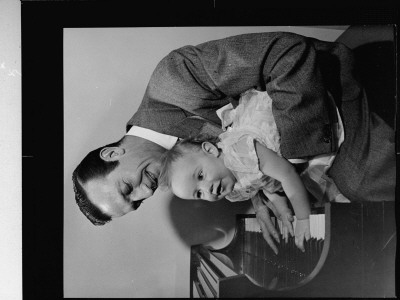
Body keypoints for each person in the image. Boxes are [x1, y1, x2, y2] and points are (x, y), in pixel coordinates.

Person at [72, 29, 396, 253]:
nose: (147, 191)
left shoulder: (175, 79)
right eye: (138, 202)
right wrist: (261, 195)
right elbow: (227, 154)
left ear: (113, 152)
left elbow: (287, 53)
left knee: (361, 186)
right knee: (341, 221)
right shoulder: (176, 167)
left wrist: (291, 164)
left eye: (128, 188)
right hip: (311, 149)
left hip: (332, 96)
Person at [158, 87, 350, 252]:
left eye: (200, 175)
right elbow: (264, 183)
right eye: (198, 193)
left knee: (318, 185)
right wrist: (282, 207)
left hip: (285, 128)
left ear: (210, 149)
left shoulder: (240, 150)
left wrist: (302, 218)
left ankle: (350, 210)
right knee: (309, 194)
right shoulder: (232, 191)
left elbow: (286, 174)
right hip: (279, 168)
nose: (207, 189)